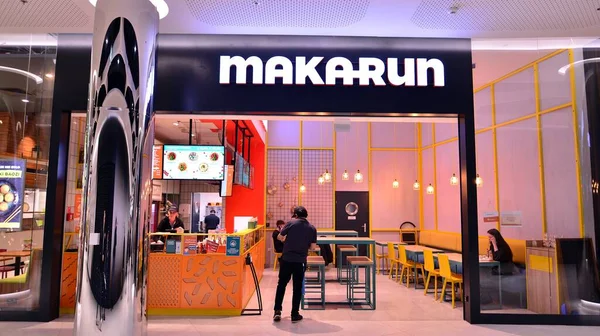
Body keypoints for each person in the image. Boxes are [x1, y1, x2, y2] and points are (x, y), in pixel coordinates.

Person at [273, 206, 317, 323]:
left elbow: (279, 237)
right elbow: (312, 248)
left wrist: (287, 241)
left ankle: (277, 311)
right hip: (300, 261)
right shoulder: (312, 228)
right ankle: (294, 314)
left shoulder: (291, 223)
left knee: (281, 284)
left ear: (296, 215)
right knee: (297, 288)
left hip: (286, 259)